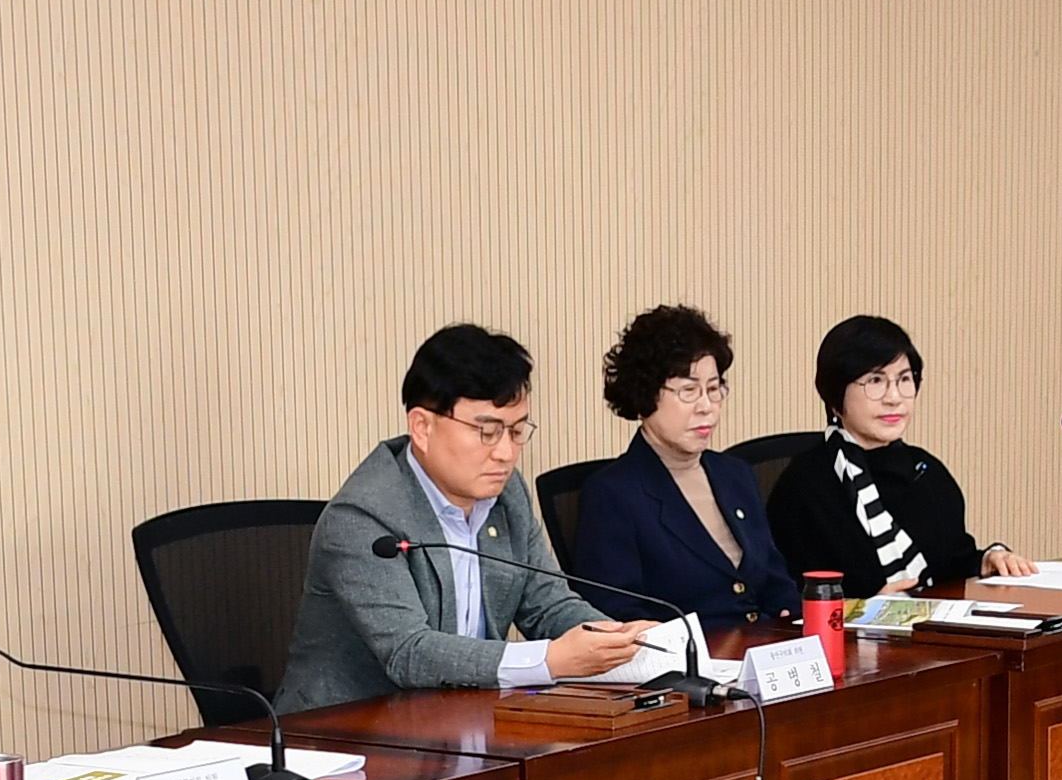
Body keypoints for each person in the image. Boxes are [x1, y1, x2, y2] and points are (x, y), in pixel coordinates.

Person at [282, 323, 648, 708]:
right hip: (343, 736)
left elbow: (548, 604)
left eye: (517, 431)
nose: (506, 452)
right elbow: (409, 652)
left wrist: (620, 640)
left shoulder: (507, 495)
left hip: (460, 719)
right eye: (487, 432)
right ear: (422, 427)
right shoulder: (362, 517)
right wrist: (549, 660)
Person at [763, 315, 1039, 603]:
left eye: (904, 379)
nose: (894, 397)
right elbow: (787, 601)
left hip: (938, 638)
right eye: (875, 381)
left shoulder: (925, 471)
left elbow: (950, 564)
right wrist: (864, 609)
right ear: (835, 395)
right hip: (850, 643)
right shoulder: (804, 486)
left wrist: (988, 560)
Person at [577, 303, 794, 621]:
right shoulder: (613, 494)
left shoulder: (736, 474)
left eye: (714, 388)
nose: (707, 406)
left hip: (765, 656)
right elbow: (618, 615)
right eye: (689, 391)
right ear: (645, 395)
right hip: (688, 665)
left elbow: (777, 584)